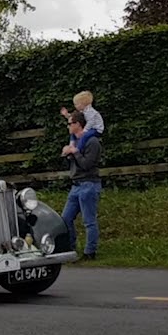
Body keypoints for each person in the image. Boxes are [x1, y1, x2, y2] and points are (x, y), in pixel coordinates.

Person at [61, 111, 103, 260]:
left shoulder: (92, 142)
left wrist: (76, 153)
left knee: (89, 220)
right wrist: (68, 154)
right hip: (76, 184)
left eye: (70, 123)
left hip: (89, 183)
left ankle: (90, 252)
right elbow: (74, 163)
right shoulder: (75, 141)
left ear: (78, 124)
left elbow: (87, 164)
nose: (68, 127)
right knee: (65, 218)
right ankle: (70, 248)